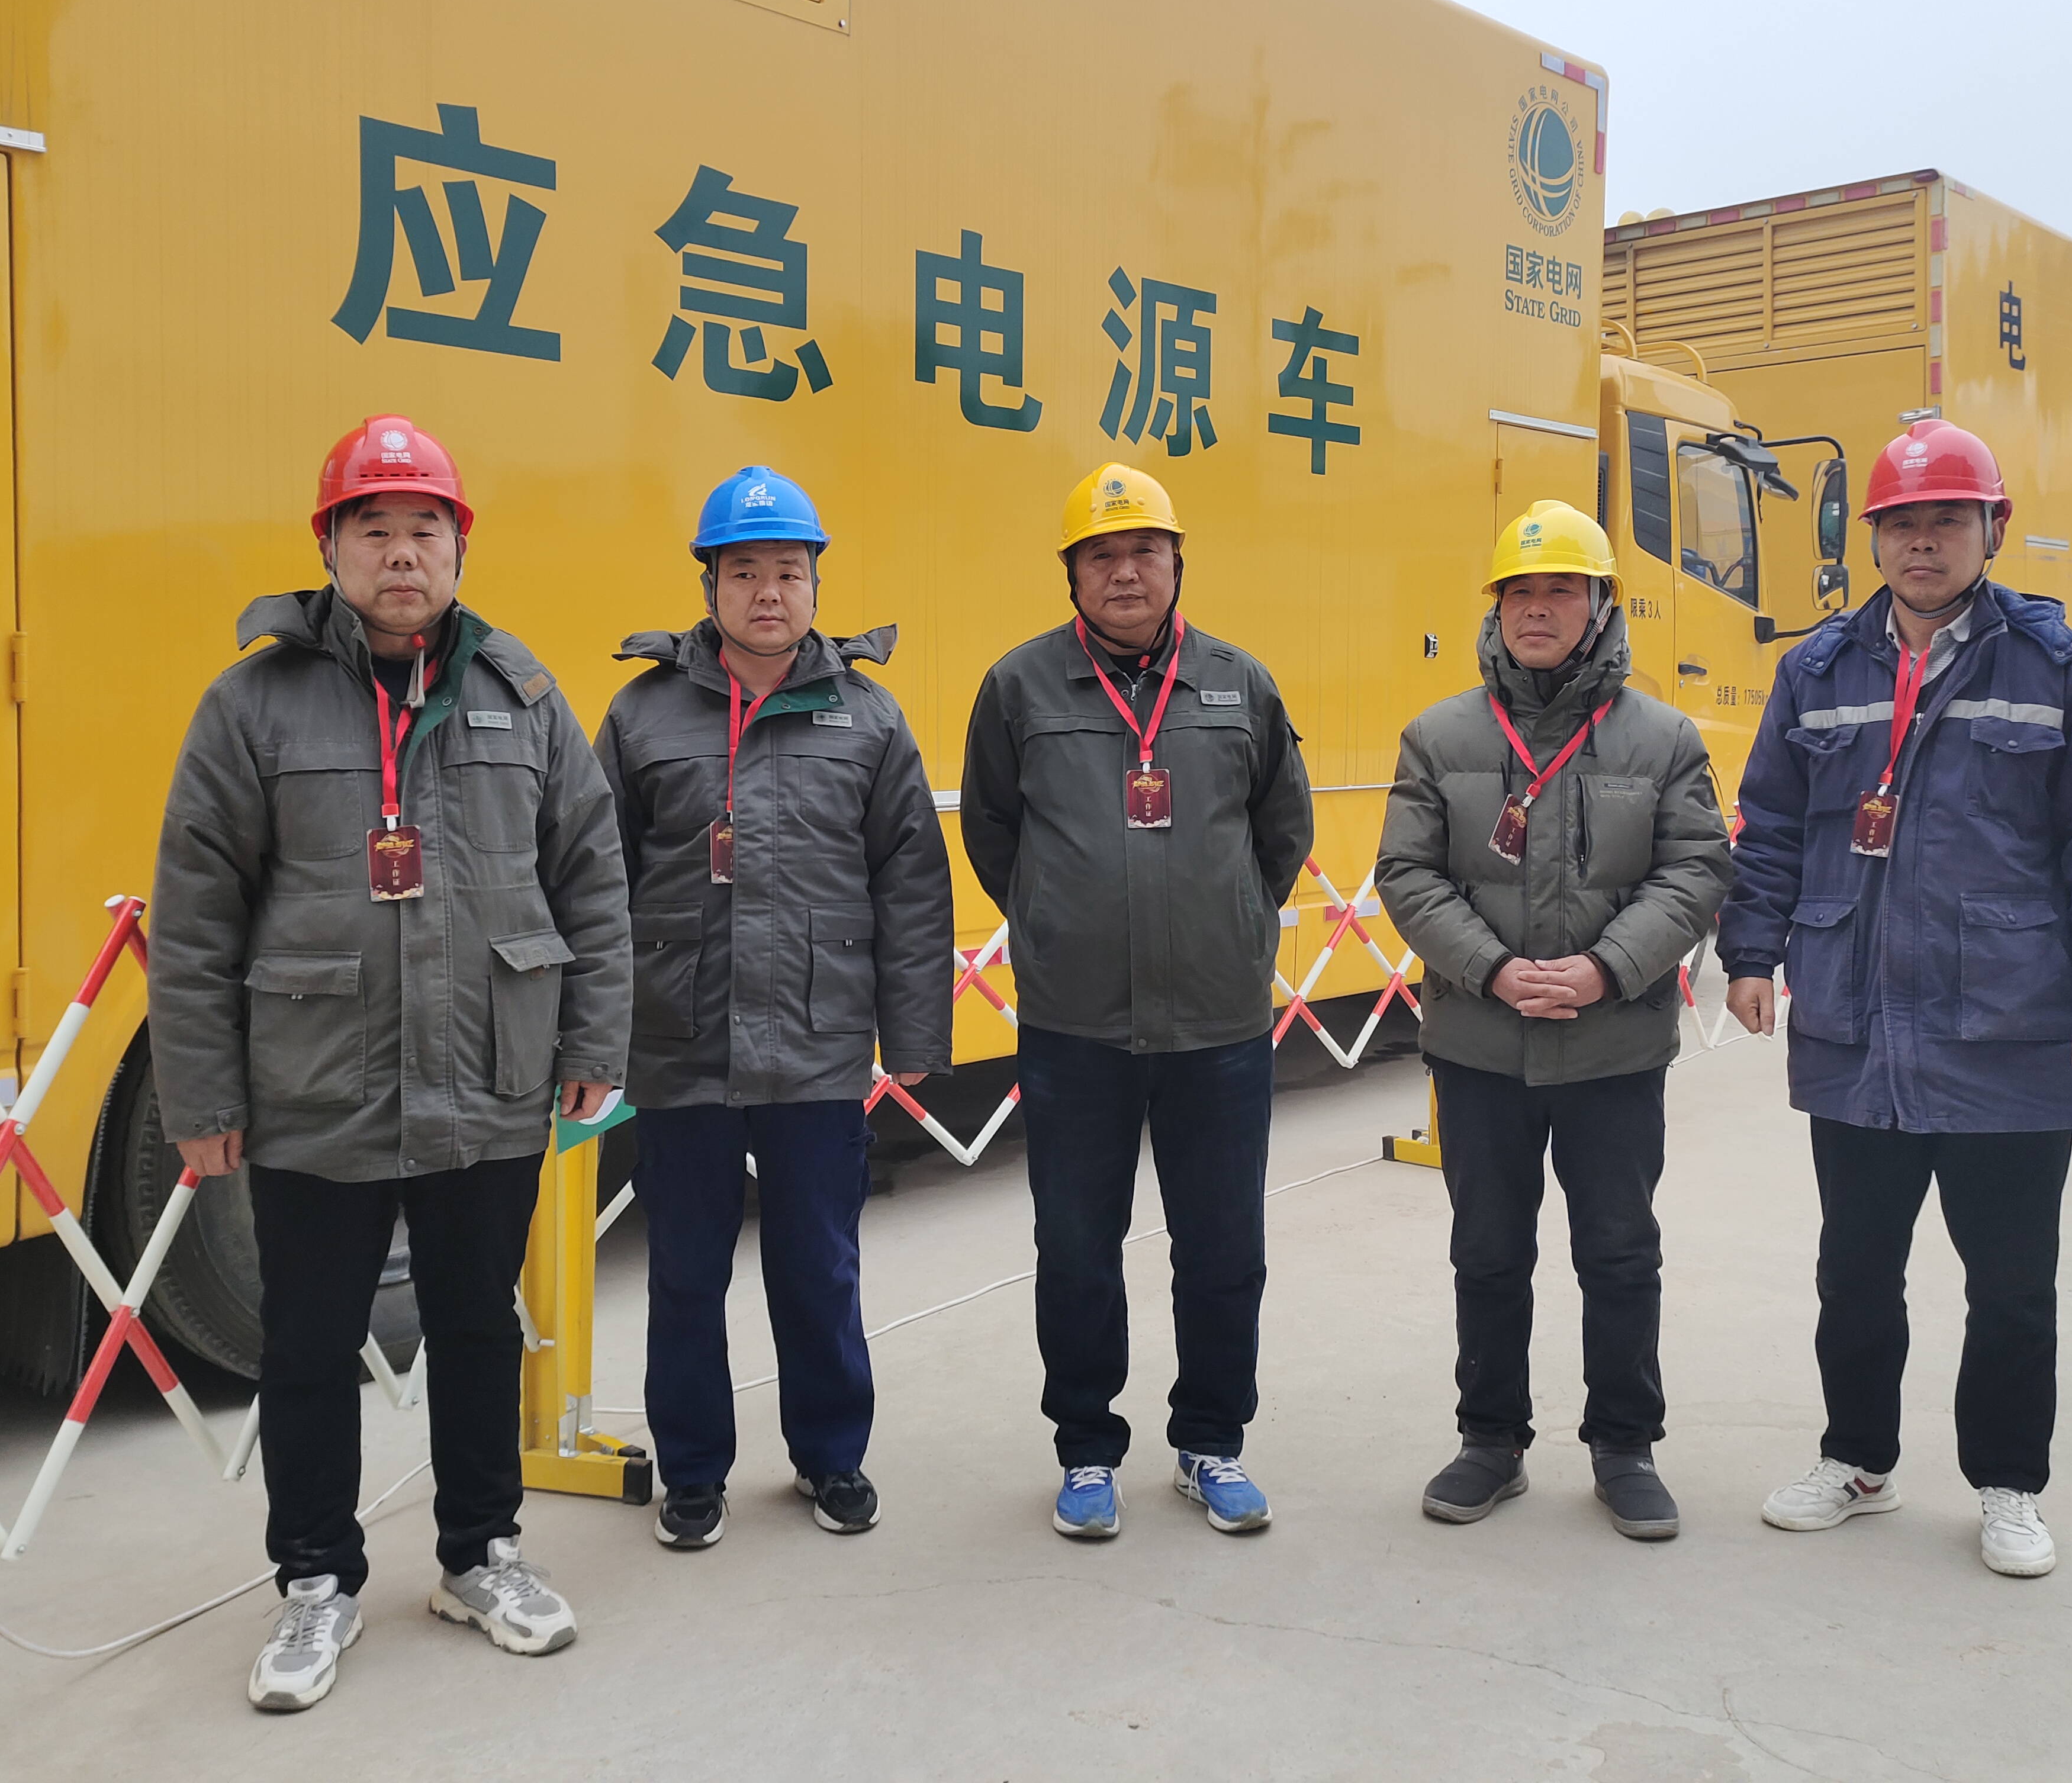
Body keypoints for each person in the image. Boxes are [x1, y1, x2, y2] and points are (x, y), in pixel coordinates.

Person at [150, 416, 632, 1711]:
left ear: (460, 548)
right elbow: (194, 916)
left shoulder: (524, 695)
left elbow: (592, 877)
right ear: (330, 549)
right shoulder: (252, 705)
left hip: (488, 1079)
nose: (402, 553)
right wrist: (200, 1094)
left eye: (427, 528)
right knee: (308, 1343)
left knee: (479, 1328)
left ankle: (481, 1556)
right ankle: (316, 1580)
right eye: (375, 529)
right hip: (318, 1087)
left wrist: (594, 1040)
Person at [1720, 415, 2072, 1579]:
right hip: (1857, 1022)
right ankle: (1857, 1462)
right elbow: (1770, 828)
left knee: (2010, 1285)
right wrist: (1751, 954)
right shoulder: (1817, 670)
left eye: (1948, 521)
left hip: (2009, 1023)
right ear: (1872, 538)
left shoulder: (2061, 669)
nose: (1923, 542)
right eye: (1902, 523)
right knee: (1855, 1272)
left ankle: (2010, 1485)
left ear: (1992, 530)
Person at [594, 466, 952, 1551]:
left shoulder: (868, 717)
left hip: (817, 1039)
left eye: (788, 572)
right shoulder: (643, 713)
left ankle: (831, 1457)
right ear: (708, 585)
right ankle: (694, 1473)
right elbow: (596, 879)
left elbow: (911, 881)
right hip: (680, 1039)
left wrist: (916, 1030)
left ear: (815, 585)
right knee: (684, 1273)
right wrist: (591, 1034)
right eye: (744, 571)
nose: (767, 593)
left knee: (819, 1266)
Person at [957, 462, 1314, 1540]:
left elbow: (1282, 831)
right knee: (1076, 1249)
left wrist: (1229, 923)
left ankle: (1211, 1443)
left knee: (1223, 1250)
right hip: (1077, 1028)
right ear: (1071, 574)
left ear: (1177, 565)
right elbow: (993, 834)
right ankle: (1086, 1451)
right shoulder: (1019, 687)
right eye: (1102, 556)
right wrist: (1058, 916)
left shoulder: (1239, 684)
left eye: (1144, 553)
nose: (1125, 573)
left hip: (1218, 1026)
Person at [1375, 501, 1730, 1540]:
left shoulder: (1662, 739)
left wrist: (1605, 969)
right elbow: (1405, 873)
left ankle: (1625, 1447)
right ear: (1496, 609)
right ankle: (1490, 1439)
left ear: (1600, 605)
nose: (1537, 610)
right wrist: (1492, 970)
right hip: (1479, 1046)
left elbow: (1696, 868)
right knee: (1488, 1254)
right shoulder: (1440, 736)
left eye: (1560, 591)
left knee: (1619, 1254)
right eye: (1519, 593)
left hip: (1612, 1048)